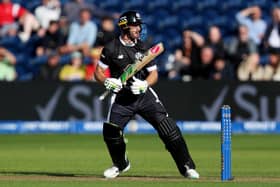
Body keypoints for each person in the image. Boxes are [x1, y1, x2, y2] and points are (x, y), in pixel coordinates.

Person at [94, 11, 199, 179]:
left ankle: (186, 166)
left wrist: (145, 84)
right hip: (123, 98)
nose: (139, 28)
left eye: (139, 25)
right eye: (135, 25)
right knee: (111, 132)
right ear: (125, 27)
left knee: (168, 128)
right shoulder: (111, 48)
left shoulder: (143, 47)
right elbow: (98, 72)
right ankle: (120, 164)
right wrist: (107, 81)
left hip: (144, 96)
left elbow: (154, 74)